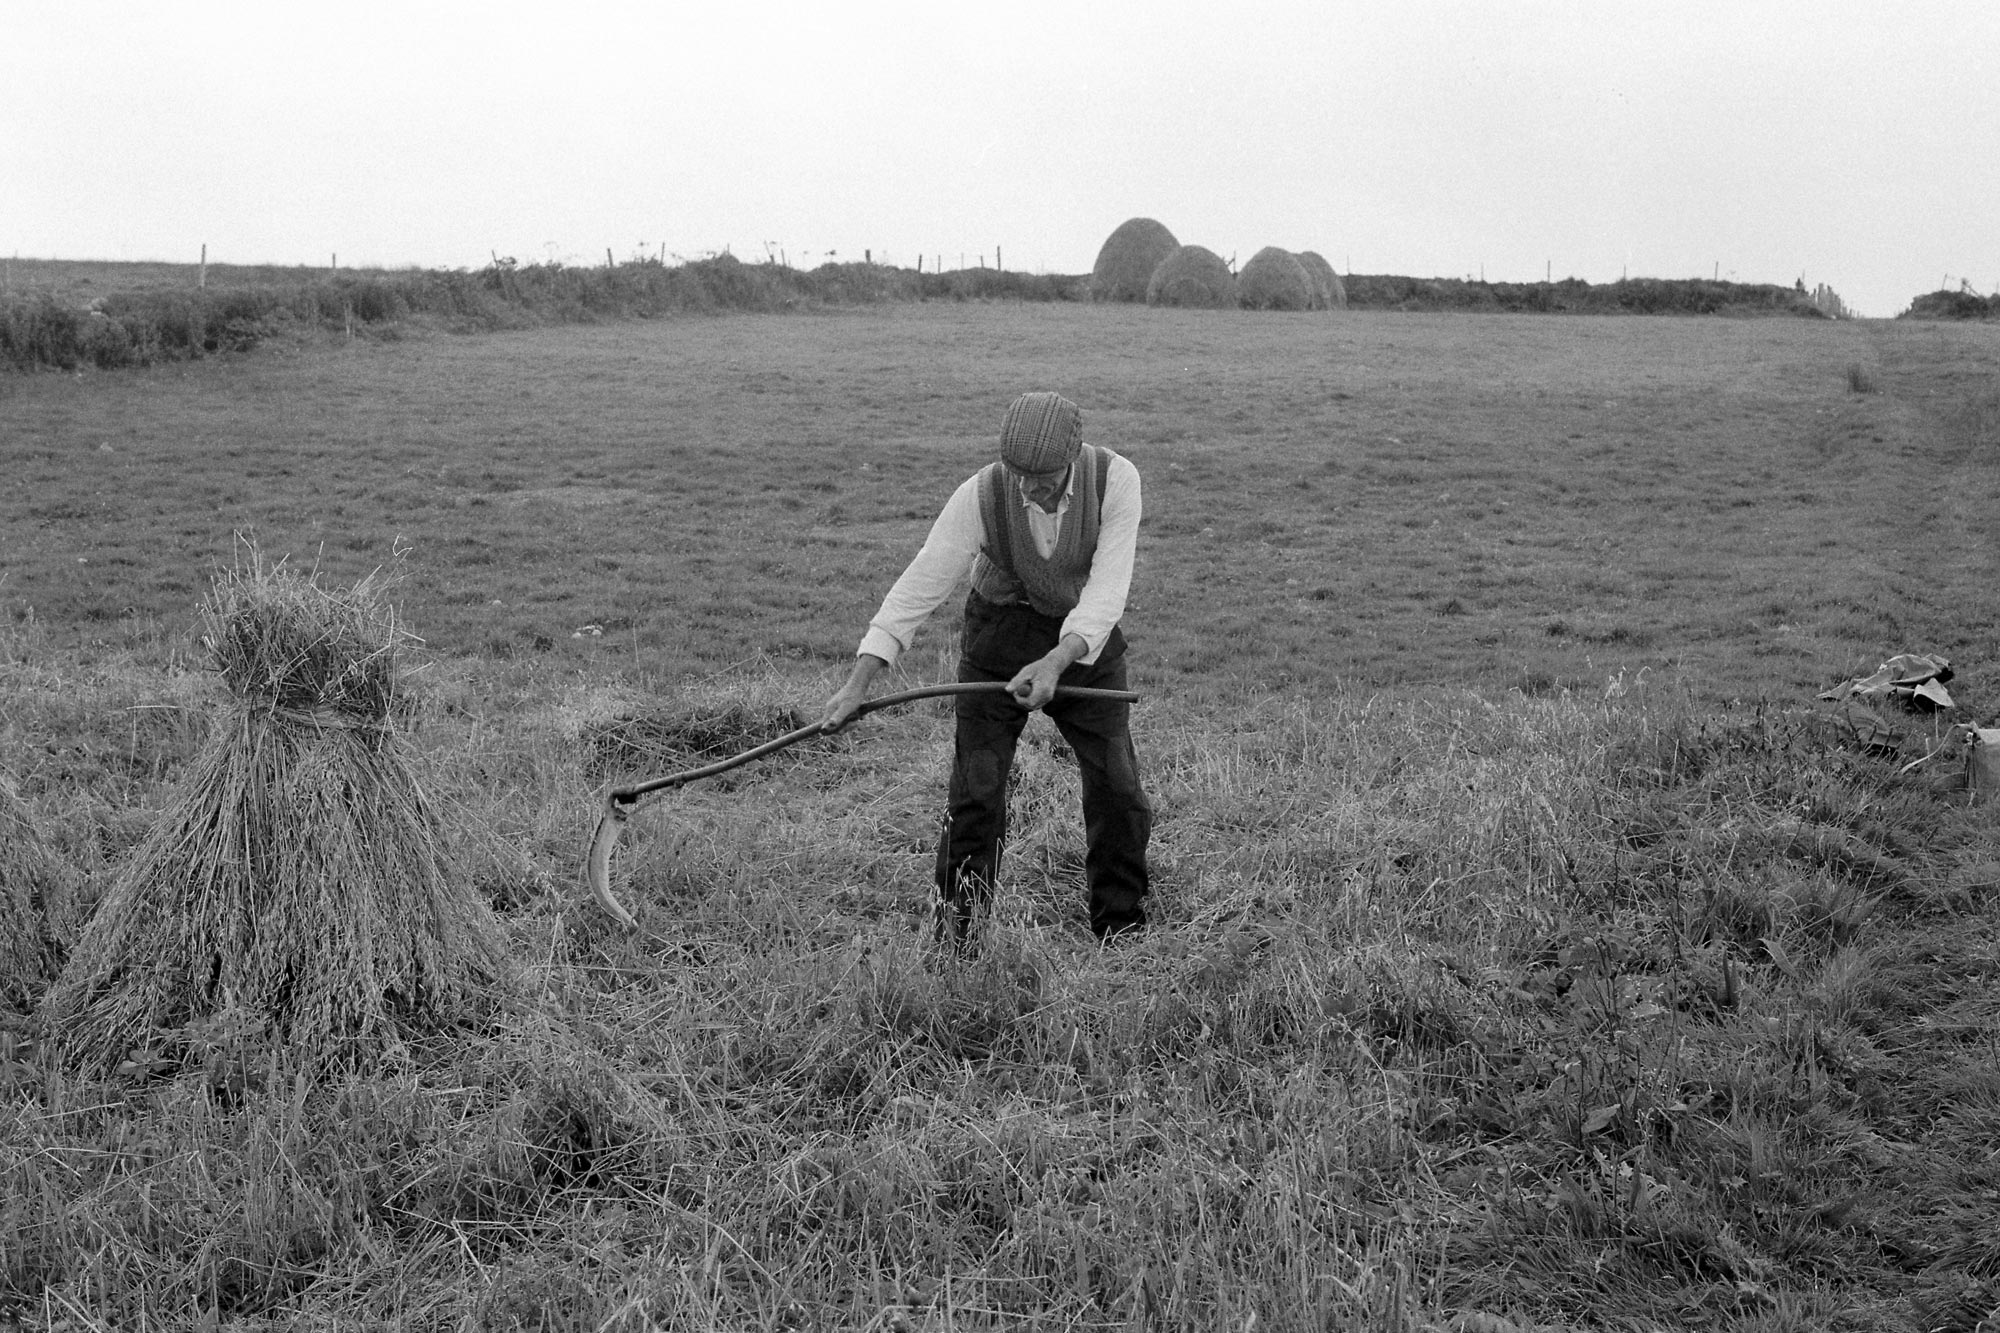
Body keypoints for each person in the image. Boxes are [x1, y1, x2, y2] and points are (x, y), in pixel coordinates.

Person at [821, 391, 1153, 946]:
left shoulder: (1115, 480)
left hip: (1081, 643)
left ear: (1071, 459)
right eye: (1017, 473)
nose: (1028, 487)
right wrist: (859, 683)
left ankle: (1118, 926)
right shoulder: (981, 493)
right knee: (976, 790)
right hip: (999, 632)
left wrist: (1054, 663)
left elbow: (1106, 593)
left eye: (1041, 476)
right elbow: (921, 583)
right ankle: (959, 936)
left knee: (1116, 784)